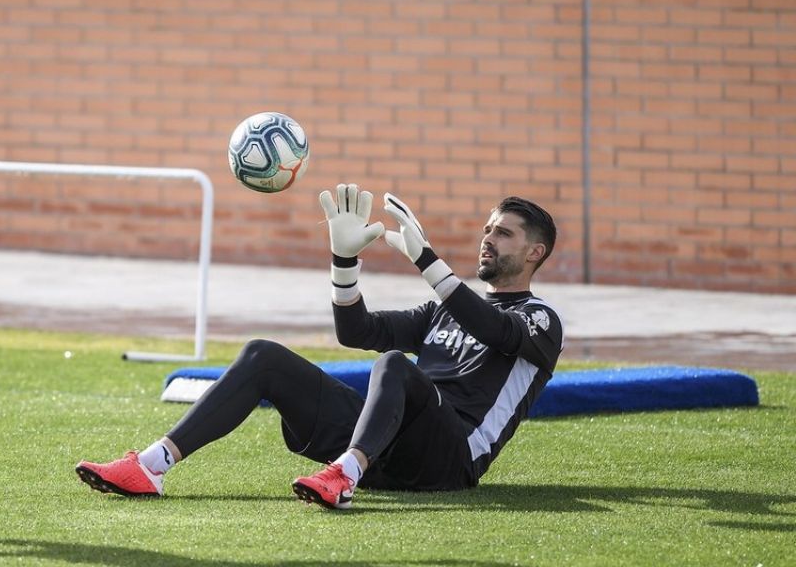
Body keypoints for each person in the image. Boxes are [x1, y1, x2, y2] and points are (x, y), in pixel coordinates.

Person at [76, 185, 562, 509]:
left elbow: (495, 330)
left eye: (503, 233)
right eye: (487, 229)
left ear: (534, 252)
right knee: (263, 355)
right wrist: (343, 260)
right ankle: (151, 465)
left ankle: (344, 475)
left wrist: (428, 261)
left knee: (395, 364)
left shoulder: (540, 318)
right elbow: (357, 331)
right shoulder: (442, 310)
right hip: (387, 450)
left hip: (449, 461)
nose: (488, 239)